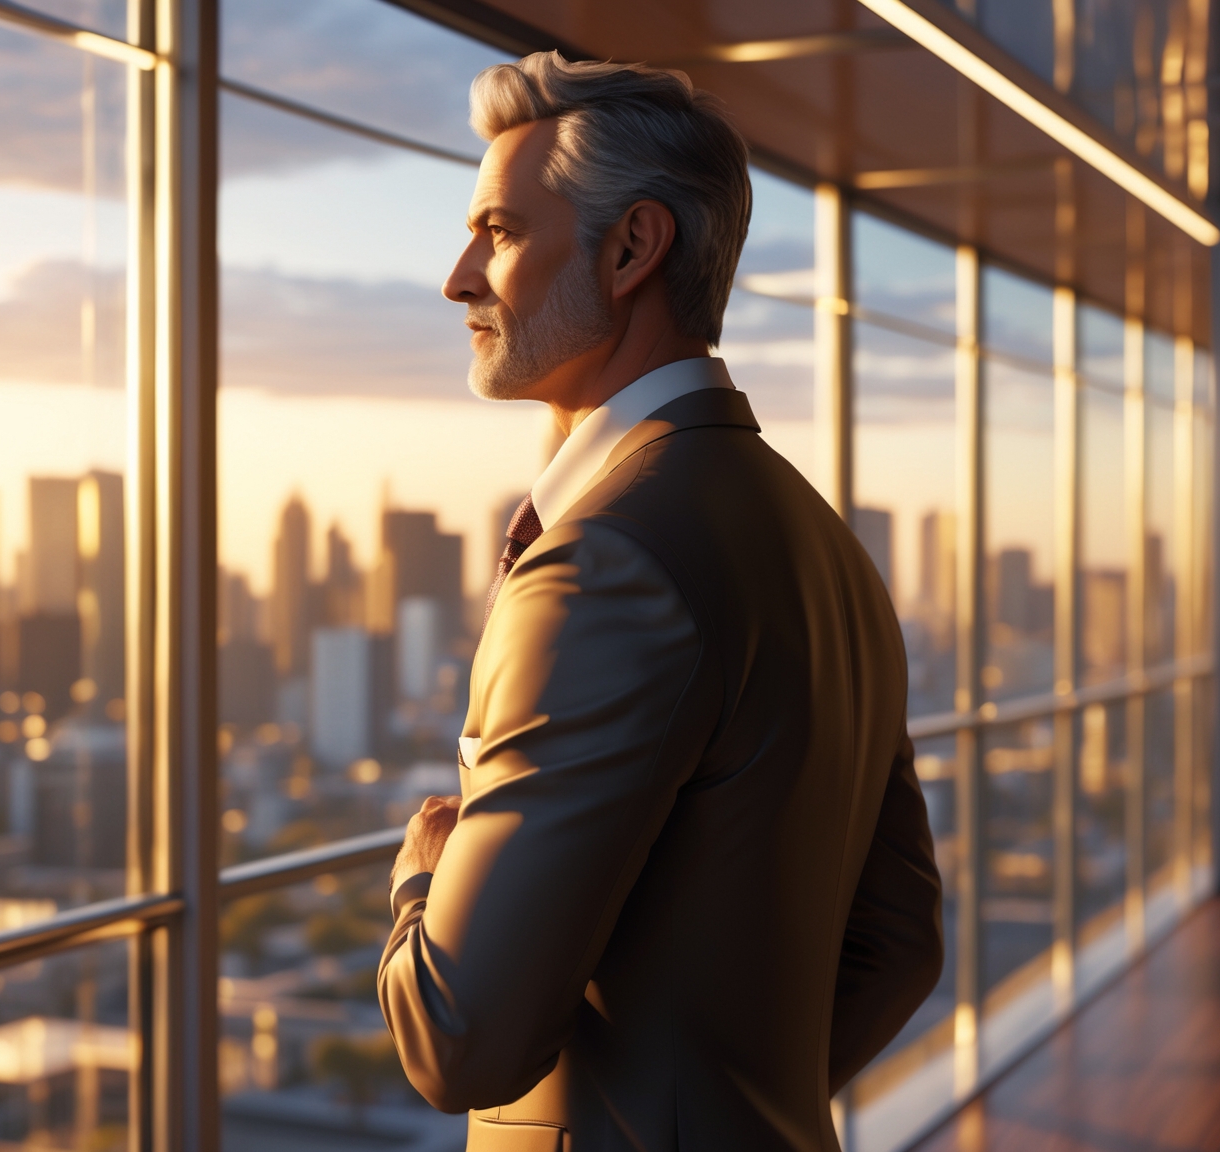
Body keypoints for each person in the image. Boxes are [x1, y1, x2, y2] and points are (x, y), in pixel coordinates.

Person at [377, 52, 945, 1151]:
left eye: (498, 232)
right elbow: (898, 943)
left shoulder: (609, 561)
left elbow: (458, 1040)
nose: (458, 277)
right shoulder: (819, 539)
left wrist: (419, 879)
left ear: (633, 247)